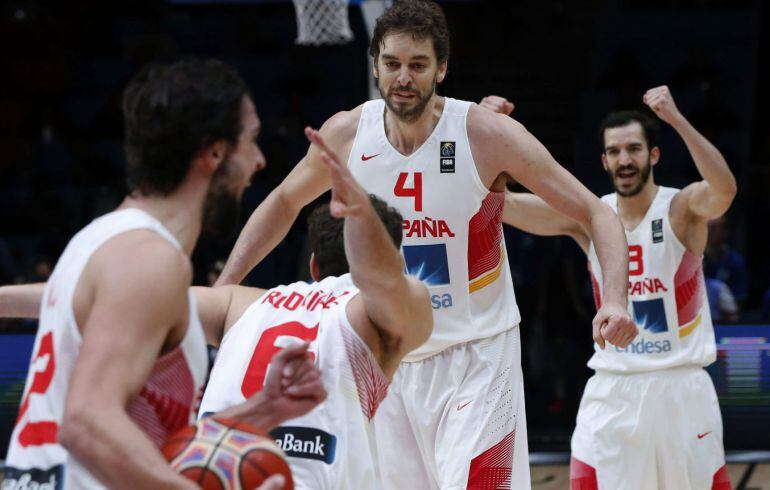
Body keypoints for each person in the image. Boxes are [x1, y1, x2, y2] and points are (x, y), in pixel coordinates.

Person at [215, 1, 636, 487]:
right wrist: (223, 290)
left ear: (442, 68)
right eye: (392, 64)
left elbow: (594, 211)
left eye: (417, 65)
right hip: (385, 362)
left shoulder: (485, 133)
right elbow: (283, 203)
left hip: (477, 357)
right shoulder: (348, 133)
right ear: (375, 66)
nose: (403, 78)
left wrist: (617, 299)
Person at [0, 128, 434, 489]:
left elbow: (94, 295)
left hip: (212, 466)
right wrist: (363, 220)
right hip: (308, 472)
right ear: (393, 257)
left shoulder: (238, 302)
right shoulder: (381, 310)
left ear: (314, 265)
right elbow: (382, 281)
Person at [2, 59, 325, 490]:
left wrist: (262, 409)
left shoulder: (104, 242)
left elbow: (146, 437)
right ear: (213, 153)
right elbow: (85, 423)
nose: (260, 160)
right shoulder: (149, 259)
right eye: (250, 141)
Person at [492, 85, 737, 489]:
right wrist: (496, 140)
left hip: (679, 385)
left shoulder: (681, 209)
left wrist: (675, 119)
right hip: (613, 386)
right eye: (615, 152)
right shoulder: (591, 217)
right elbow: (505, 206)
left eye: (634, 149)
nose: (625, 160)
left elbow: (724, 189)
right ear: (604, 161)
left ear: (653, 155)